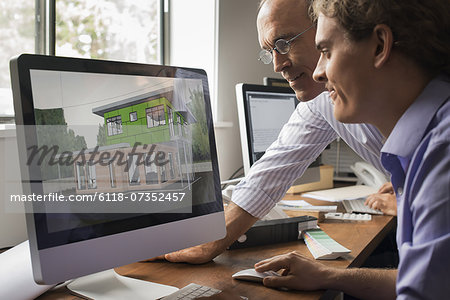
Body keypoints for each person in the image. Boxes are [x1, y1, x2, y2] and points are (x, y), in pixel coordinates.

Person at [159, 0, 389, 264]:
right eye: (270, 51)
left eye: (284, 42)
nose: (277, 65)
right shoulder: (318, 103)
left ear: (328, 27)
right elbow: (272, 171)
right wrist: (212, 240)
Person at [255, 0, 450, 299]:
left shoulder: (442, 152)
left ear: (379, 46)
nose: (319, 73)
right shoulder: (423, 148)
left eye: (326, 52)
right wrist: (329, 276)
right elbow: (426, 284)